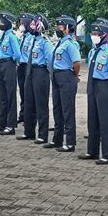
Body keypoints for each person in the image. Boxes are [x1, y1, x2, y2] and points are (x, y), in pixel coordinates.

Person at [79, 22, 108, 165]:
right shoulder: (93, 51)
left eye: (97, 34)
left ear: (105, 36)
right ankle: (92, 151)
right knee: (92, 119)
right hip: (92, 85)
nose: (94, 36)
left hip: (104, 86)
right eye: (93, 34)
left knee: (105, 121)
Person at [43, 15, 81, 152]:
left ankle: (70, 143)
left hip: (66, 76)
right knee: (57, 109)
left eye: (60, 27)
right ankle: (57, 140)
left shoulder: (70, 44)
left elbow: (76, 62)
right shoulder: (60, 43)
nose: (57, 29)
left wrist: (75, 75)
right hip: (57, 76)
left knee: (67, 111)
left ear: (67, 28)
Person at [16, 13, 53, 144]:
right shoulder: (32, 39)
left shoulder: (45, 42)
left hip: (41, 72)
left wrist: (48, 74)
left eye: (33, 24)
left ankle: (42, 135)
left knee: (40, 104)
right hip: (30, 70)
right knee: (29, 101)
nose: (31, 26)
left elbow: (50, 60)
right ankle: (28, 132)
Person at [0, 12, 21, 135]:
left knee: (10, 95)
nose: (0, 24)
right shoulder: (3, 35)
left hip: (8, 65)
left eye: (2, 22)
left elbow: (17, 54)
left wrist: (10, 62)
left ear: (8, 23)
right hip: (1, 65)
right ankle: (1, 123)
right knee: (2, 96)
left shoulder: (12, 36)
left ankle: (10, 126)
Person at [16, 13, 35, 124]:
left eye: (23, 23)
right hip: (20, 66)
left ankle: (28, 115)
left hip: (28, 66)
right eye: (20, 23)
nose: (21, 25)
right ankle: (22, 114)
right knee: (22, 92)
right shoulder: (22, 36)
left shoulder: (31, 37)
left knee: (28, 92)